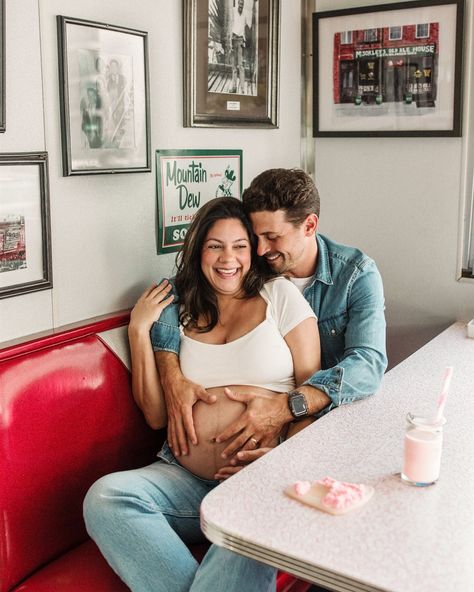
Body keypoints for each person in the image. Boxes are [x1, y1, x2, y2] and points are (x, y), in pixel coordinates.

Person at [83, 197, 321, 592]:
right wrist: (138, 331)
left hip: (259, 480)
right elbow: (158, 416)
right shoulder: (180, 311)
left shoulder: (281, 297)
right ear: (199, 250)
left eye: (239, 246)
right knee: (106, 497)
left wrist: (280, 464)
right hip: (185, 479)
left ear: (253, 250)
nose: (228, 258)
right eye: (215, 245)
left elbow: (313, 398)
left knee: (244, 521)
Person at [152, 168, 387, 466]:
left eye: (272, 237)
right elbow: (185, 287)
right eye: (255, 237)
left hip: (329, 430)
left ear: (309, 225)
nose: (261, 249)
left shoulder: (355, 275)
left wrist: (289, 408)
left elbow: (368, 364)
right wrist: (170, 373)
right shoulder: (256, 266)